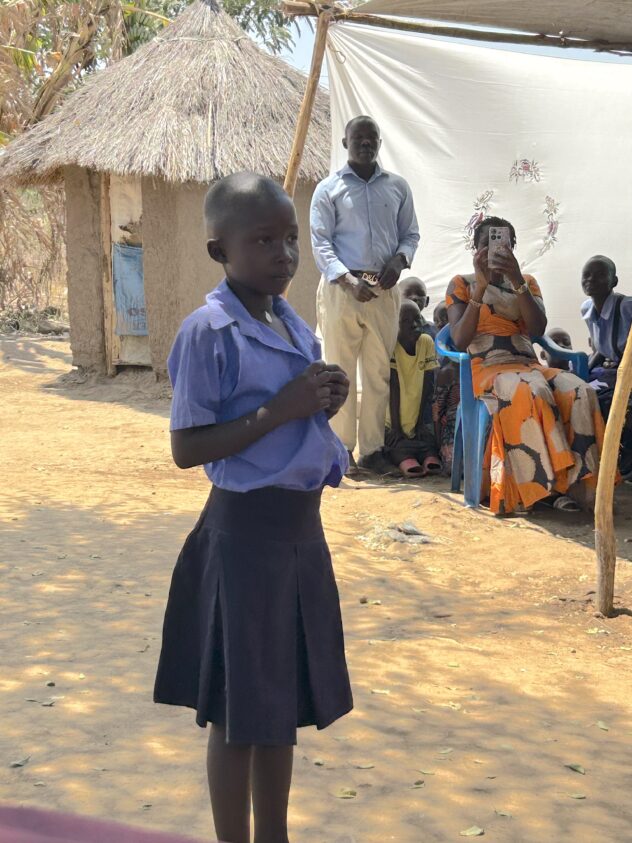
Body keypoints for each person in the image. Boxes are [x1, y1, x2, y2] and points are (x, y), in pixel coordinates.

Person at [154, 173, 353, 843]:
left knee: (279, 708)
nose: (283, 254)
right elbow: (187, 447)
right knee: (238, 714)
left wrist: (322, 400)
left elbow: (294, 423)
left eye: (290, 239)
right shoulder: (207, 332)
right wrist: (283, 408)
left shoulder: (289, 322)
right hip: (242, 540)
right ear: (220, 250)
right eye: (263, 240)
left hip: (298, 537)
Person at [446, 215, 606, 516]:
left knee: (580, 390)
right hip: (489, 367)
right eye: (486, 244)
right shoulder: (462, 284)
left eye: (503, 244)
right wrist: (480, 288)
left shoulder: (526, 282)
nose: (494, 250)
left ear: (512, 248)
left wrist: (517, 280)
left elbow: (536, 330)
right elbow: (459, 340)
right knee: (532, 390)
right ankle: (542, 489)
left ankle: (577, 485)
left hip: (528, 363)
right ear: (475, 249)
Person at [311, 115, 420, 477]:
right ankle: (341, 450)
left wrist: (399, 261)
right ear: (345, 143)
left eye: (371, 138)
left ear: (379, 143)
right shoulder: (328, 189)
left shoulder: (397, 187)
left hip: (384, 290)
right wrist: (347, 280)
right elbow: (321, 243)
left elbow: (410, 234)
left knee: (377, 372)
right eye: (358, 138)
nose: (365, 144)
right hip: (342, 290)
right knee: (339, 371)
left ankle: (372, 451)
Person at [581, 255, 632, 477]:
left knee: (618, 404)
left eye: (600, 275)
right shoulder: (587, 309)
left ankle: (623, 463)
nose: (591, 279)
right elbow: (600, 349)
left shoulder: (626, 307)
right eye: (587, 274)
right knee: (579, 393)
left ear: (614, 281)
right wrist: (582, 374)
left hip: (626, 372)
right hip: (613, 371)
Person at [385, 300, 441, 476]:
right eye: (406, 321)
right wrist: (396, 427)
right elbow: (394, 387)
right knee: (396, 445)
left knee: (428, 444)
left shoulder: (426, 342)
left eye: (417, 319)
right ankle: (407, 460)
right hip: (392, 421)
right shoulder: (392, 346)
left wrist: (419, 423)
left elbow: (427, 384)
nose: (414, 325)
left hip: (415, 419)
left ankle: (426, 458)